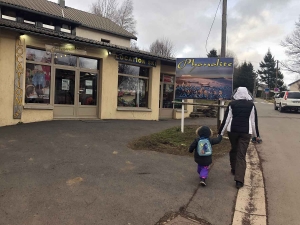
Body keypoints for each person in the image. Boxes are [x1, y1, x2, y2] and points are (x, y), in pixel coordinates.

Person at [218, 87, 260, 189]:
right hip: (246, 133)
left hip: (232, 131)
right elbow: (254, 122)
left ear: (236, 94)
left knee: (234, 149)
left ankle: (234, 168)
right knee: (241, 155)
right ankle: (239, 181)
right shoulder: (251, 105)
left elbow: (226, 119)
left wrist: (220, 133)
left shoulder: (232, 104)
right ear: (247, 94)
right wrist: (256, 135)